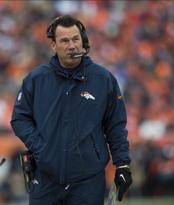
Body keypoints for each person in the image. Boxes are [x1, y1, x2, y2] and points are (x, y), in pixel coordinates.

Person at [10, 15, 132, 205]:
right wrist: (42, 149)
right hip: (46, 179)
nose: (71, 45)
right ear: (53, 45)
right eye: (64, 41)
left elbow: (116, 126)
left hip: (88, 181)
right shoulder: (36, 79)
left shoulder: (104, 79)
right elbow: (19, 119)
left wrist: (122, 164)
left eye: (75, 39)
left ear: (83, 42)